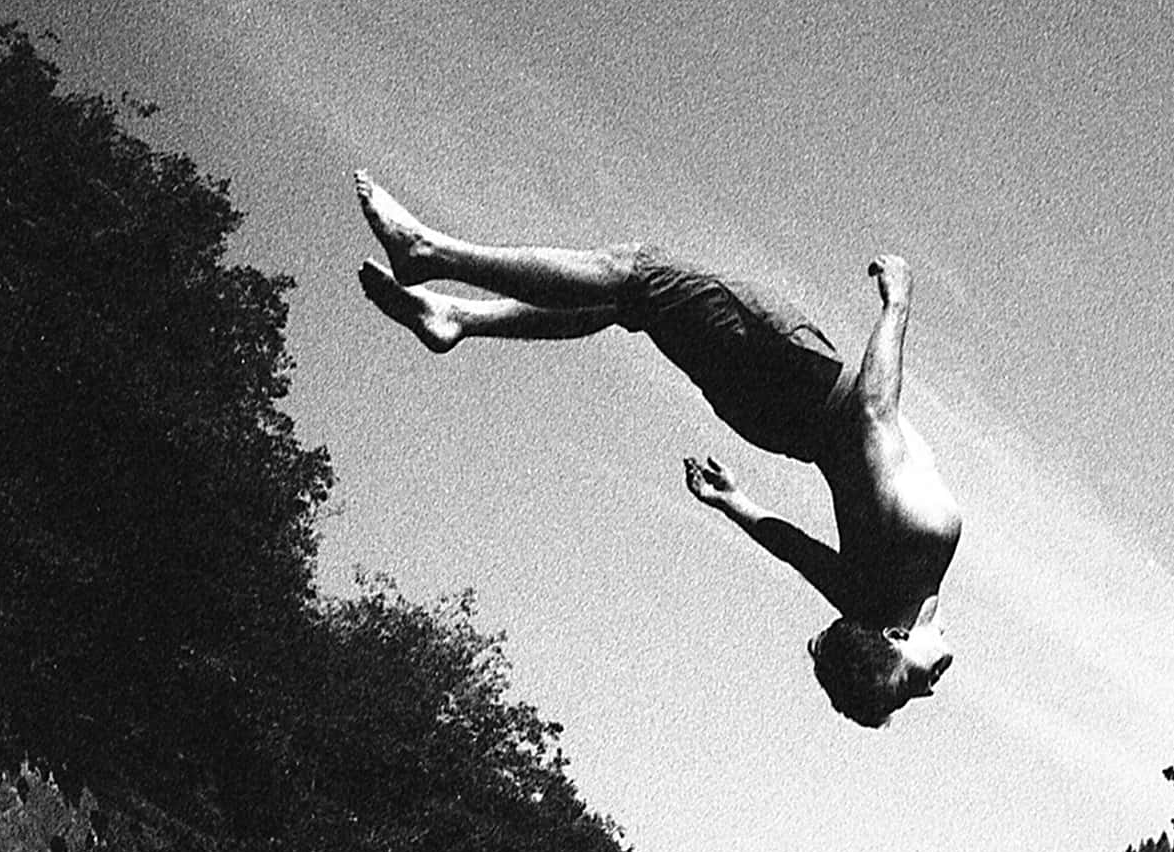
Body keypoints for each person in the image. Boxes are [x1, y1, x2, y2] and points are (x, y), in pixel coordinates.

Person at [354, 174, 961, 727]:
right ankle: (457, 317)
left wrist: (897, 302)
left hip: (792, 376)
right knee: (627, 305)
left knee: (634, 272)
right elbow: (797, 552)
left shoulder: (920, 532)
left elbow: (874, 410)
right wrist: (735, 503)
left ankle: (430, 255)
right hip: (782, 421)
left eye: (908, 686)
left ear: (889, 636)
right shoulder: (874, 600)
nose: (929, 690)